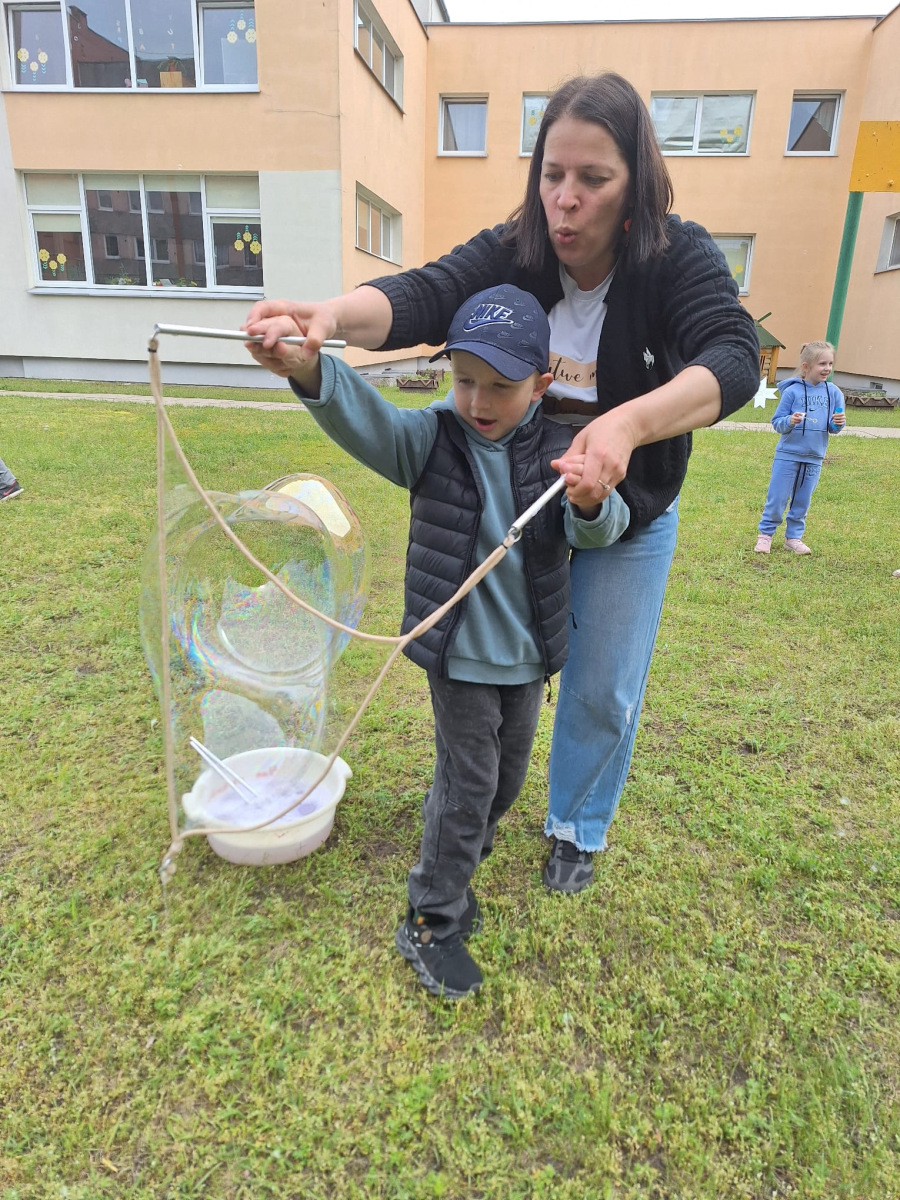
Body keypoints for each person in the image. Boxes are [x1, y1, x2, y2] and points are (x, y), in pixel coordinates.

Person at [244, 71, 760, 896]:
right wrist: (328, 320)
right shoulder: (519, 248)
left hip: (624, 512)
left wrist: (627, 426)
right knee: (495, 668)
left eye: (593, 179)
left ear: (635, 184)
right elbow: (424, 296)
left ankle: (576, 827)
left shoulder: (677, 258)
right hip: (517, 507)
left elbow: (733, 358)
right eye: (552, 174)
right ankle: (467, 799)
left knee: (601, 688)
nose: (565, 199)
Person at [246, 283, 629, 998]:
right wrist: (311, 370)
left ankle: (459, 859)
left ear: (541, 384)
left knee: (503, 782)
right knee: (468, 786)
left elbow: (598, 530)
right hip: (459, 657)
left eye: (500, 387)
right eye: (464, 380)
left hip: (527, 659)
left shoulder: (560, 451)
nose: (478, 400)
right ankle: (431, 915)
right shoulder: (431, 438)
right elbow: (372, 426)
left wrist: (591, 501)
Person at [754, 341, 845, 556]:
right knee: (777, 498)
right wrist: (790, 421)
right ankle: (765, 535)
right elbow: (777, 422)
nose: (827, 368)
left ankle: (793, 538)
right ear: (806, 367)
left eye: (830, 363)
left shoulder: (834, 393)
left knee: (802, 501)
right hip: (787, 456)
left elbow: (833, 428)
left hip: (814, 457)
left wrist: (837, 423)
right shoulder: (792, 392)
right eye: (822, 364)